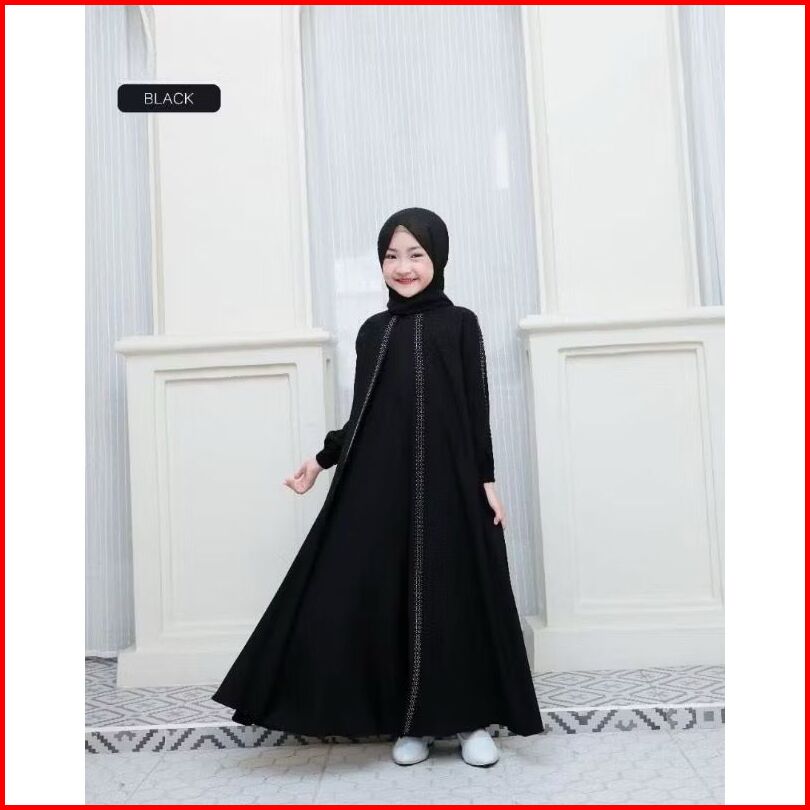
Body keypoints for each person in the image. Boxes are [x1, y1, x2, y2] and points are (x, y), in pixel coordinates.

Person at [212, 207, 544, 767]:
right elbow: (363, 413)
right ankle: (412, 724)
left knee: (455, 597)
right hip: (384, 488)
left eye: (415, 254)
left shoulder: (461, 324)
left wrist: (486, 479)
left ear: (438, 258)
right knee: (389, 598)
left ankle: (469, 722)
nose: (403, 267)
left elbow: (476, 407)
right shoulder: (373, 331)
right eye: (392, 256)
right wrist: (320, 461)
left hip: (451, 485)